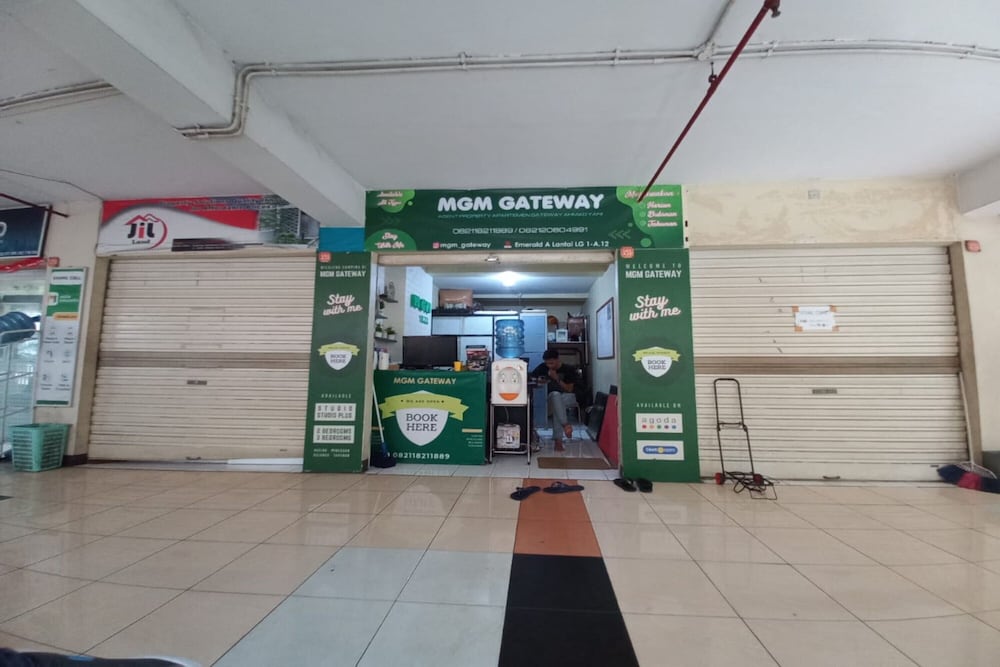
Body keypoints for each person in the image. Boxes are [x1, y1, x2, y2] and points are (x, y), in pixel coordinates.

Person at [531, 349, 583, 452]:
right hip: (552, 398)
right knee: (556, 397)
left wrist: (556, 378)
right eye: (547, 363)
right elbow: (532, 377)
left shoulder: (568, 369)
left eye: (551, 363)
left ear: (557, 359)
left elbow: (569, 389)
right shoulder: (543, 367)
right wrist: (539, 381)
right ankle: (565, 425)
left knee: (557, 401)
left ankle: (558, 441)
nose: (549, 366)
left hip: (568, 396)